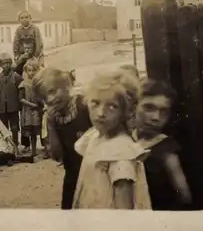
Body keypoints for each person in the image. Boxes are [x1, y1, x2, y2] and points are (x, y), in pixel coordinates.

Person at [72, 72, 151, 209]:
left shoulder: (121, 152)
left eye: (112, 106)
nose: (101, 113)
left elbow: (124, 208)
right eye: (95, 103)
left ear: (126, 111)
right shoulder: (94, 136)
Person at [31, 67, 91, 210]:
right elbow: (57, 156)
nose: (51, 99)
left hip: (94, 172)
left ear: (65, 84)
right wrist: (51, 126)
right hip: (73, 175)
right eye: (45, 98)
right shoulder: (53, 118)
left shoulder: (83, 105)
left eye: (52, 91)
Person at [133, 79, 192, 210]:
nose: (156, 117)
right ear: (135, 106)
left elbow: (184, 196)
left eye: (163, 111)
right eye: (149, 108)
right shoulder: (127, 139)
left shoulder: (166, 150)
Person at [0, 52, 23, 146]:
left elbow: (20, 91)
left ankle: (15, 144)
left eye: (7, 63)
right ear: (0, 65)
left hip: (13, 106)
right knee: (3, 127)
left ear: (10, 63)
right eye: (3, 63)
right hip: (2, 107)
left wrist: (18, 103)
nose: (5, 65)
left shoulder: (16, 76)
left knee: (14, 127)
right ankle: (6, 145)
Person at [19, 58, 44, 159]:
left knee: (37, 130)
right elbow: (21, 99)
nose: (31, 73)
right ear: (26, 71)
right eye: (29, 70)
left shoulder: (39, 83)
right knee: (30, 131)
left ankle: (38, 149)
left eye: (34, 70)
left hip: (38, 110)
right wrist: (31, 105)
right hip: (28, 110)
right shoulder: (23, 84)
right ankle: (31, 150)